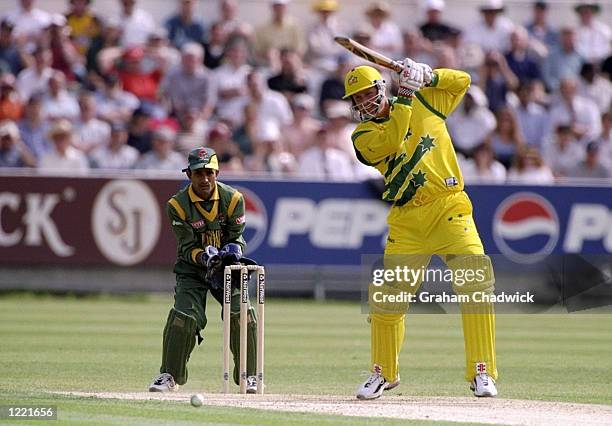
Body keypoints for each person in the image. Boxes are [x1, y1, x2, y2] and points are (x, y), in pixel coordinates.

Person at [345, 61, 498, 399]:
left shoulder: (425, 101)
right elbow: (396, 134)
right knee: (386, 298)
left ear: (380, 87)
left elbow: (464, 81)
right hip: (407, 219)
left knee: (475, 280)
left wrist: (430, 76)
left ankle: (481, 371)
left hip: (449, 207)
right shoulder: (362, 136)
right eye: (357, 99)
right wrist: (406, 93)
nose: (364, 102)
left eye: (368, 93)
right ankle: (383, 372)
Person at [148, 146, 260, 394]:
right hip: (192, 271)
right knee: (184, 316)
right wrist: (206, 258)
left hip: (227, 271)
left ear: (217, 172)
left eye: (209, 172)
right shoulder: (177, 205)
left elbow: (237, 237)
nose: (205, 179)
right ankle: (169, 375)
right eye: (199, 173)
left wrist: (233, 252)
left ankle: (248, 376)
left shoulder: (233, 199)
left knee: (242, 313)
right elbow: (186, 247)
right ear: (189, 174)